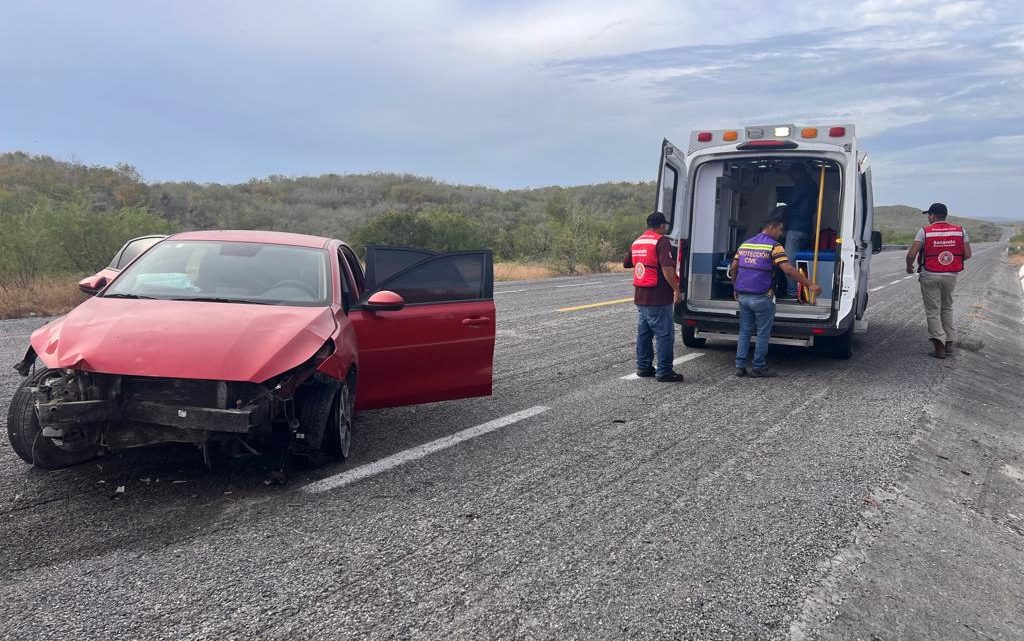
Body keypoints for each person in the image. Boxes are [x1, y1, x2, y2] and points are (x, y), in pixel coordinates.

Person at [729, 210, 822, 377]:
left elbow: (734, 267)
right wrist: (810, 284)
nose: (781, 233)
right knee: (763, 333)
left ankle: (740, 365)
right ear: (771, 227)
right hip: (761, 297)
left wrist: (735, 287)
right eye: (779, 229)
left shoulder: (746, 243)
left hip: (743, 296)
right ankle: (758, 367)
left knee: (744, 331)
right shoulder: (774, 246)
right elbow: (787, 269)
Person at [905, 202, 972, 359]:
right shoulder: (960, 231)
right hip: (951, 276)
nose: (928, 217)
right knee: (947, 308)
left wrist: (909, 267)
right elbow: (968, 254)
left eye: (929, 215)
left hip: (930, 275)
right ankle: (949, 342)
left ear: (933, 215)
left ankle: (939, 347)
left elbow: (911, 254)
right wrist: (950, 263)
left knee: (933, 310)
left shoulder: (924, 232)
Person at [623, 212, 684, 382]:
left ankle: (644, 367)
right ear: (662, 225)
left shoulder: (638, 241)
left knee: (644, 334)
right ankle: (664, 371)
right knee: (665, 334)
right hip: (658, 297)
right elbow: (667, 268)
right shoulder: (661, 241)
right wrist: (676, 290)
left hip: (641, 296)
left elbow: (627, 262)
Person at [782, 162, 819, 298]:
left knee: (788, 261)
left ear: (799, 172)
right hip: (807, 228)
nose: (791, 178)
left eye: (792, 175)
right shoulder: (813, 185)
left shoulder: (802, 185)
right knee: (800, 261)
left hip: (795, 228)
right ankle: (802, 290)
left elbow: (791, 202)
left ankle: (792, 291)